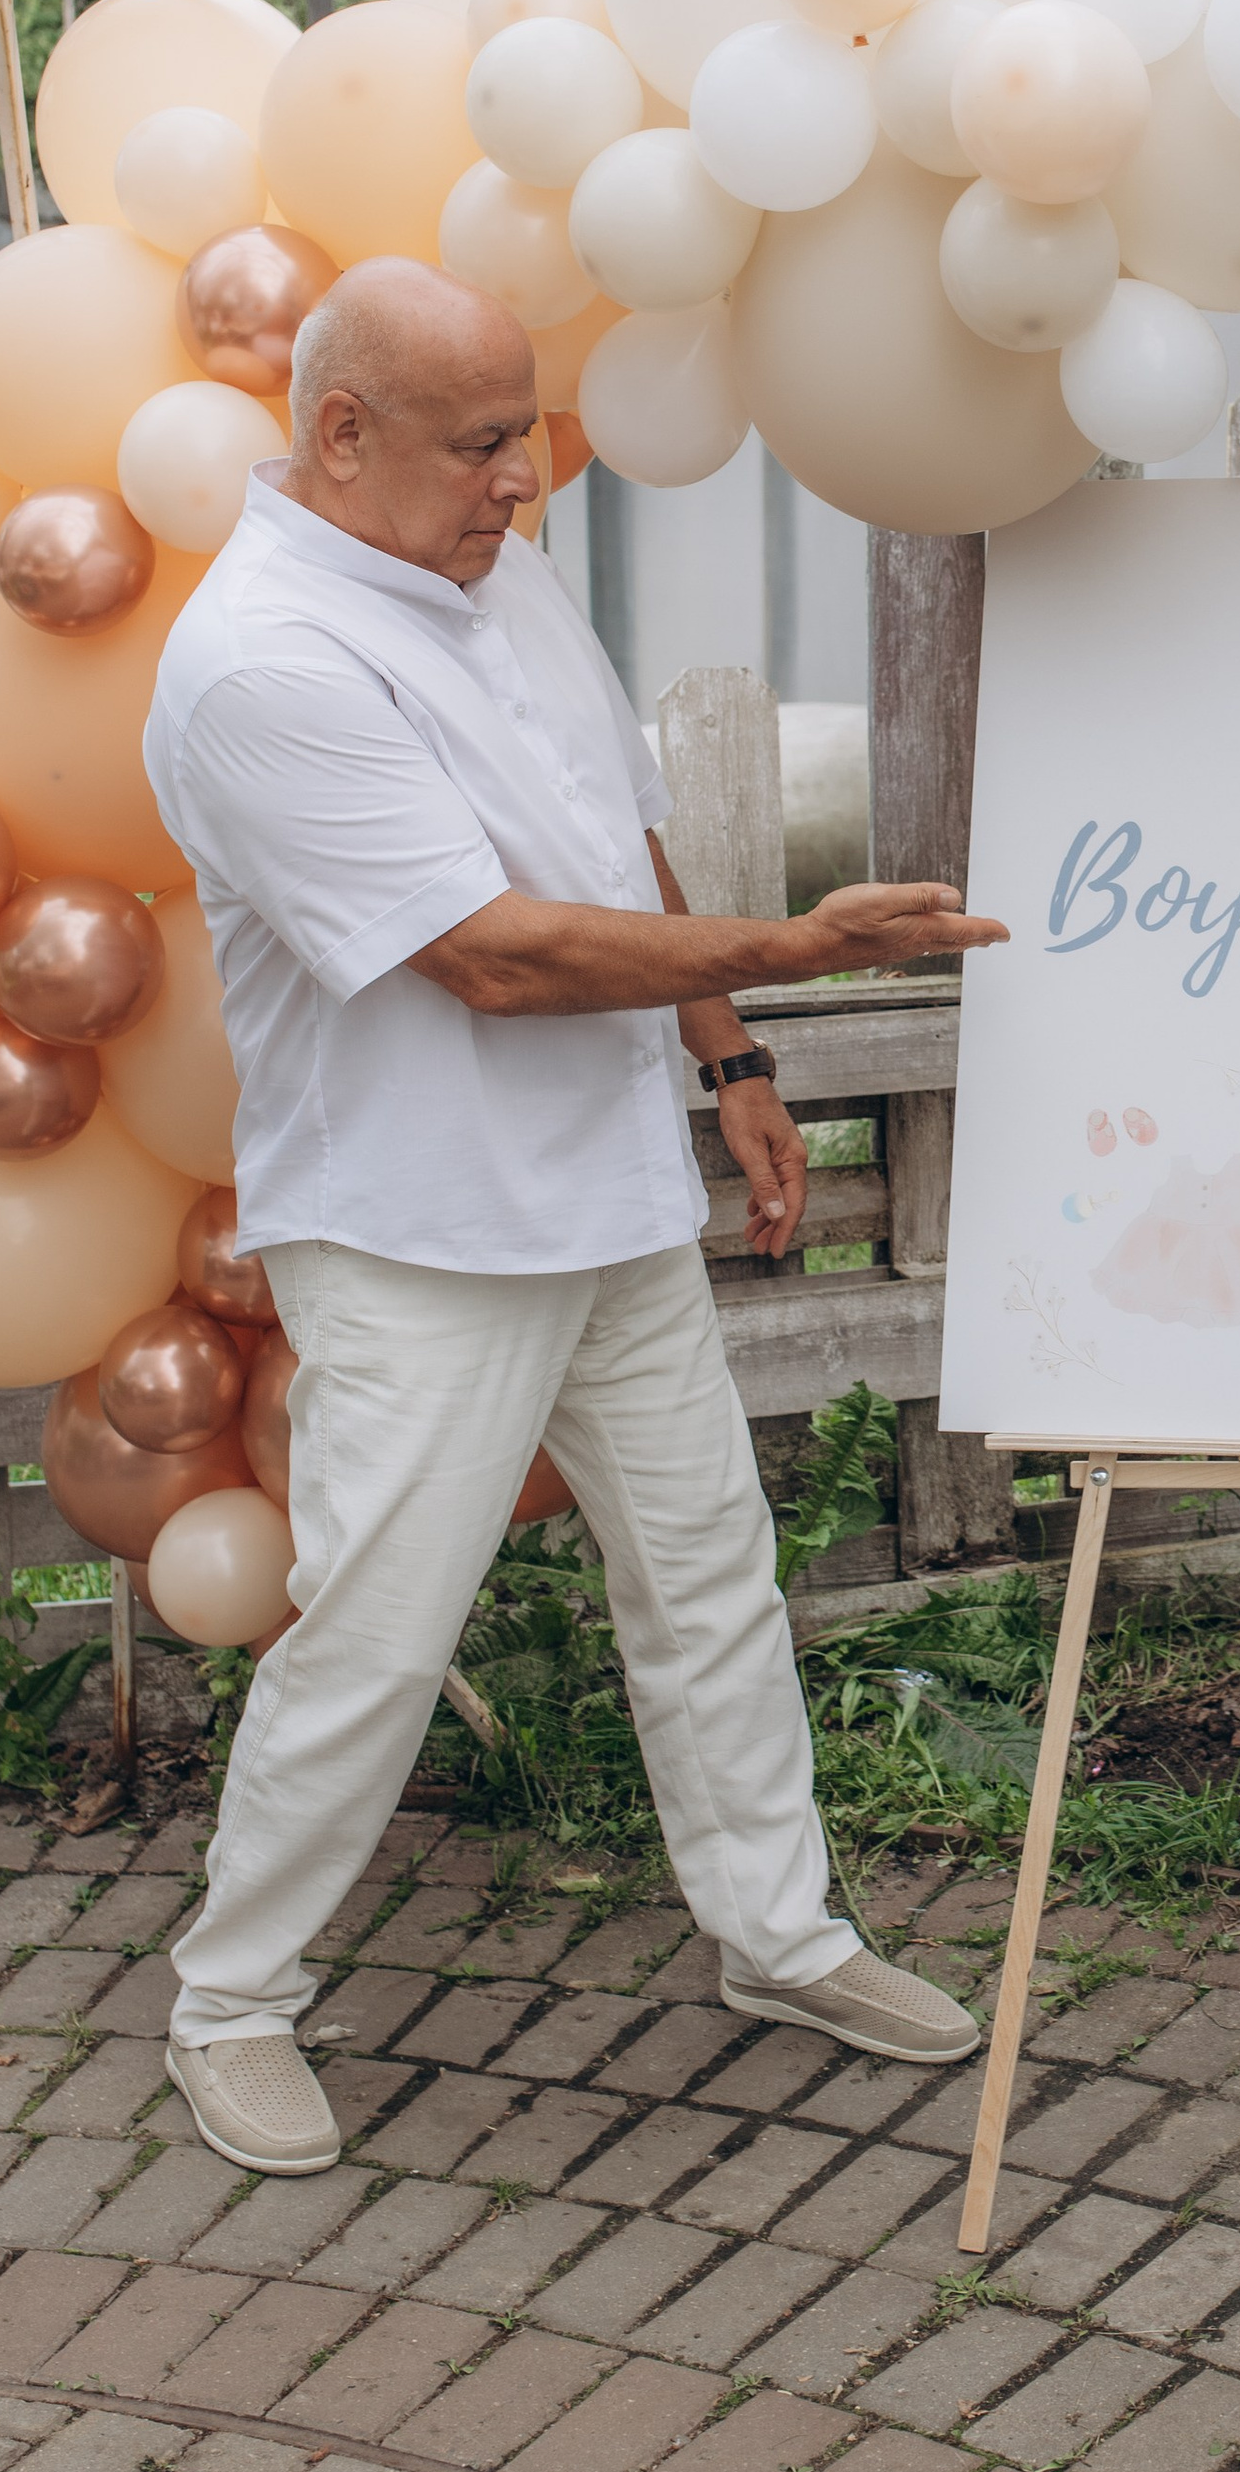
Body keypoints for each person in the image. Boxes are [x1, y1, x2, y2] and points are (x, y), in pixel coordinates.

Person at [144, 260, 1005, 2177]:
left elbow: (611, 823)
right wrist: (788, 944)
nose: (520, 483)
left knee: (709, 1573)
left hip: (608, 1196)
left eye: (524, 439)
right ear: (339, 434)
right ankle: (232, 1997)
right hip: (418, 1231)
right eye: (478, 447)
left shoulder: (478, 557)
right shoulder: (260, 663)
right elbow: (495, 957)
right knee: (375, 1627)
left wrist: (732, 1052)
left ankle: (780, 1939)